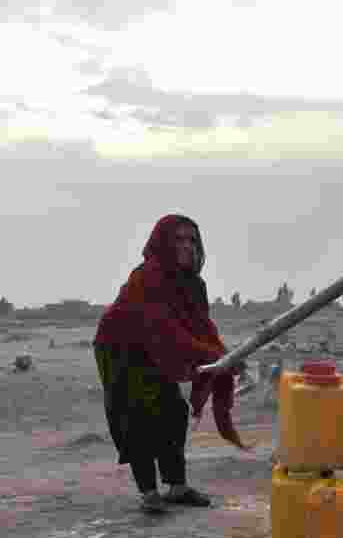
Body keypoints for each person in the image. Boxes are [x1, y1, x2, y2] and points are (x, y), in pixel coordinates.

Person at [93, 214, 247, 514]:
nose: (188, 247)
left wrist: (225, 356)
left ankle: (177, 487)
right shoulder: (147, 277)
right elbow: (166, 330)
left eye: (192, 240)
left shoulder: (194, 285)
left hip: (155, 350)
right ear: (163, 243)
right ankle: (149, 493)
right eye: (179, 240)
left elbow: (201, 328)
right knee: (137, 415)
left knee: (173, 411)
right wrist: (213, 356)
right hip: (120, 349)